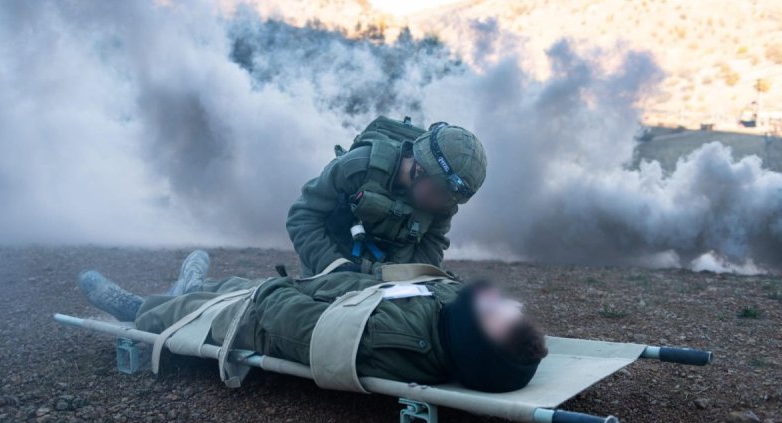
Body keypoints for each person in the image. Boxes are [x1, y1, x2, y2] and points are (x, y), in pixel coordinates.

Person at [77, 251, 547, 393]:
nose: (497, 300)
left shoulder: (401, 342)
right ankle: (190, 286)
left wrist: (274, 291)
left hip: (260, 320)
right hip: (307, 290)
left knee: (199, 311)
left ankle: (136, 307)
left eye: (497, 312)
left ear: (473, 341)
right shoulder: (451, 312)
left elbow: (297, 327)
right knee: (231, 283)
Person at [286, 116, 487, 276]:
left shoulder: (446, 198)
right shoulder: (358, 166)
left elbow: (433, 242)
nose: (440, 202)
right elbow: (302, 216)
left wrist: (412, 279)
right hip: (332, 267)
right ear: (420, 169)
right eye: (437, 192)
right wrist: (333, 266)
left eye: (448, 199)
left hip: (394, 280)